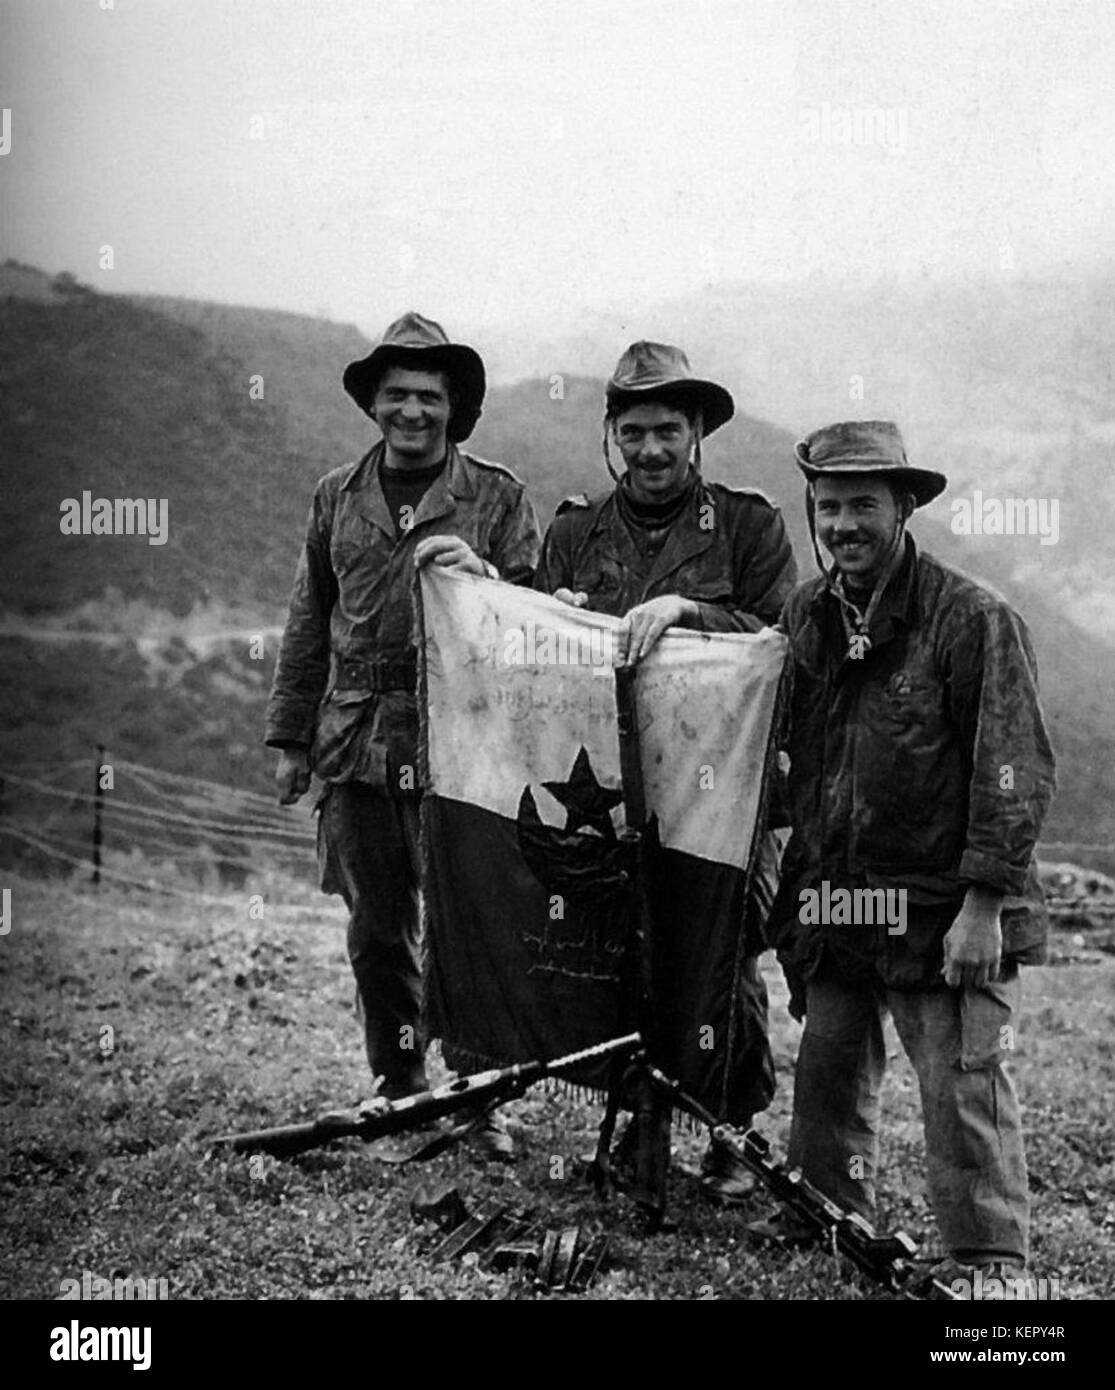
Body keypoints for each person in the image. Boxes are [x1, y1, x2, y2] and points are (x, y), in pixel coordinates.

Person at [752, 420, 1056, 1288]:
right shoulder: (807, 613)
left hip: (942, 901)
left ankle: (988, 1259)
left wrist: (984, 905)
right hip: (843, 895)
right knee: (828, 1069)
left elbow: (1013, 766)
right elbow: (791, 753)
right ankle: (826, 1218)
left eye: (862, 506)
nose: (842, 525)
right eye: (827, 507)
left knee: (961, 1084)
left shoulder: (972, 618)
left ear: (904, 507)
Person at [265, 311, 540, 1158]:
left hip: (461, 743)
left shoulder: (498, 497)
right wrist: (289, 736)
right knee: (377, 929)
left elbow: (535, 624)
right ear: (373, 404)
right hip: (354, 743)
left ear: (453, 407)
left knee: (466, 923)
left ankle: (475, 1097)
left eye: (428, 396)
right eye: (396, 395)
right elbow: (311, 617)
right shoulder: (335, 495)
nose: (412, 412)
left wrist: (484, 579)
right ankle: (396, 1082)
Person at [534, 340, 798, 1203]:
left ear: (697, 438)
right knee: (619, 944)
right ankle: (634, 1125)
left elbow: (779, 643)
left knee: (723, 950)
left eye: (670, 431)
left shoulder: (750, 525)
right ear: (612, 435)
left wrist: (689, 610)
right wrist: (558, 616)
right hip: (613, 786)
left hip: (729, 785)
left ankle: (730, 1129)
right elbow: (537, 659)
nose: (653, 450)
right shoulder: (574, 532)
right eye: (635, 430)